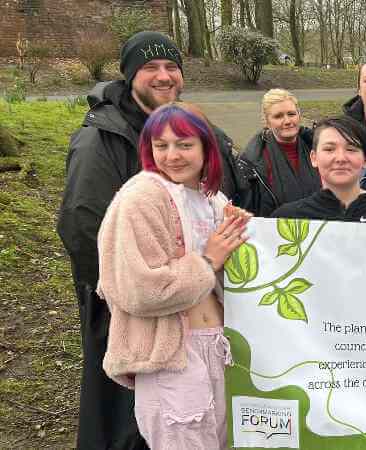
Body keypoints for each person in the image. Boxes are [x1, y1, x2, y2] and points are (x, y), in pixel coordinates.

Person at [56, 31, 240, 450]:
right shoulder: (102, 140)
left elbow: (225, 225)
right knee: (133, 430)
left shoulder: (199, 144)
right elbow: (84, 226)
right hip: (143, 321)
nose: (163, 76)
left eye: (171, 66)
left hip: (205, 336)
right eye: (150, 67)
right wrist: (120, 304)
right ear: (129, 75)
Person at [97, 103, 251, 448]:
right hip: (173, 352)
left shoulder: (213, 200)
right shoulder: (141, 197)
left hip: (221, 347)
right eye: (161, 145)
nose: (172, 156)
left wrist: (242, 238)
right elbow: (136, 290)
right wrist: (208, 260)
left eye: (184, 144)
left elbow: (235, 279)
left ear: (205, 148)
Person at [272, 116, 366, 230]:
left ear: (365, 160)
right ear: (314, 158)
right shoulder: (286, 218)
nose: (341, 158)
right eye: (329, 149)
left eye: (351, 149)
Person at [237, 88, 319, 217]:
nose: (287, 121)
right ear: (267, 122)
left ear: (299, 115)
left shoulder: (319, 147)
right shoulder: (251, 164)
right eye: (278, 116)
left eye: (291, 114)